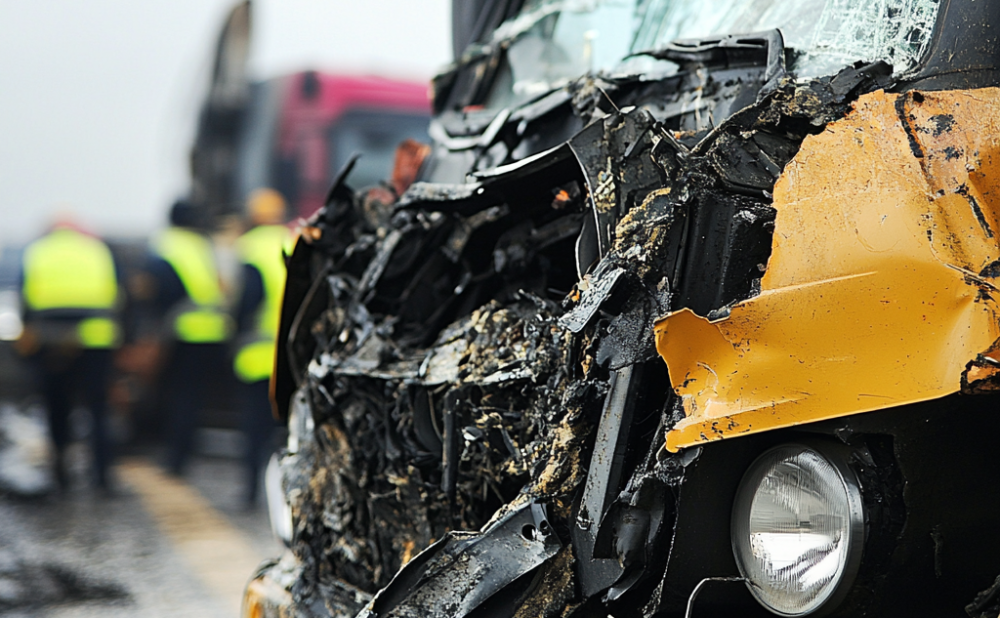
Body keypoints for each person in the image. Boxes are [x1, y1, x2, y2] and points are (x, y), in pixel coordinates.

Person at [19, 217, 121, 491]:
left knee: (57, 407)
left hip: (51, 341)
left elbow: (25, 299)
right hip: (95, 339)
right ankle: (103, 477)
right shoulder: (97, 249)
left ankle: (61, 475)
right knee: (98, 410)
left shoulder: (38, 251)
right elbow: (116, 296)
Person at [146, 199, 231, 475]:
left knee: (176, 398)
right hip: (213, 331)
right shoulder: (203, 245)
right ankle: (185, 452)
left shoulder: (164, 244)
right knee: (193, 398)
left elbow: (156, 292)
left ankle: (175, 459)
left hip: (180, 334)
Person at [232, 188, 290, 506]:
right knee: (286, 433)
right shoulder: (294, 240)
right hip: (291, 359)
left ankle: (251, 492)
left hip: (257, 356)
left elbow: (245, 302)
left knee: (253, 429)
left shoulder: (249, 248)